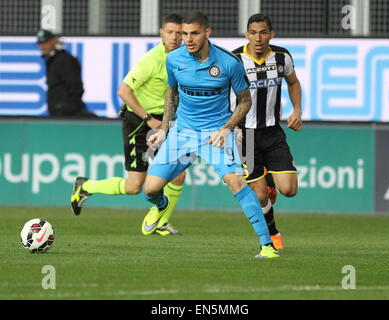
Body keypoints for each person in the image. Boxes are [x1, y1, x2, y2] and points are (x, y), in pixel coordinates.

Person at [143, 11, 279, 259]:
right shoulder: (173, 59)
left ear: (207, 32)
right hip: (182, 132)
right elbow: (171, 93)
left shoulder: (228, 63)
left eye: (194, 33)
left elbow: (245, 101)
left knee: (236, 182)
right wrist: (164, 129)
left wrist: (227, 128)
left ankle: (267, 245)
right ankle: (161, 206)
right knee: (149, 190)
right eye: (184, 34)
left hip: (216, 132)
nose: (188, 39)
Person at [70, 14, 186, 236]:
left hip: (164, 123)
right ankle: (85, 187)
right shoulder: (151, 60)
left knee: (179, 173)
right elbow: (123, 91)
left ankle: (161, 222)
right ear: (161, 32)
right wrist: (148, 119)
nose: (175, 36)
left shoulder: (183, 59)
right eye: (170, 32)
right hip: (139, 122)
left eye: (179, 32)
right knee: (134, 186)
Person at [231, 13, 302, 249]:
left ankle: (269, 178)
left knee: (289, 190)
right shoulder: (235, 60)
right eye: (253, 33)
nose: (258, 38)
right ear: (246, 35)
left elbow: (293, 82)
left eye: (263, 32)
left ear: (271, 34)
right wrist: (230, 126)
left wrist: (297, 110)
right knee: (259, 196)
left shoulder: (282, 57)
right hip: (245, 135)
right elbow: (221, 94)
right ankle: (273, 233)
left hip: (272, 132)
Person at [37, 29, 96, 117]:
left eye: (45, 43)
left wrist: (65, 107)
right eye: (40, 44)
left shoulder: (65, 60)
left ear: (53, 41)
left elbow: (75, 86)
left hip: (68, 113)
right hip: (56, 111)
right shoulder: (51, 60)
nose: (42, 46)